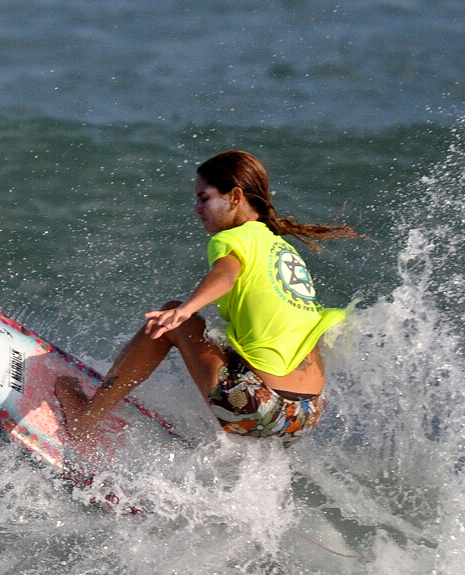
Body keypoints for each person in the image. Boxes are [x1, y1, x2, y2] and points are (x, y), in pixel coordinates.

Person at [55, 149, 359, 447]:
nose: (197, 209)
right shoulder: (283, 250)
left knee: (171, 317)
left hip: (259, 406)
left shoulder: (232, 238)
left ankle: (84, 418)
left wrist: (186, 310)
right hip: (305, 416)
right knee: (228, 341)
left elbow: (225, 274)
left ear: (235, 197)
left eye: (204, 199)